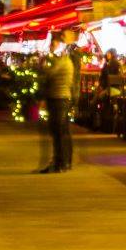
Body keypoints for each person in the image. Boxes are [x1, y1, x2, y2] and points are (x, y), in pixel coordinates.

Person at [37, 43, 77, 173]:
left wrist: (42, 65)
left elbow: (50, 74)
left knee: (58, 131)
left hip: (58, 98)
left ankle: (60, 162)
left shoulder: (63, 61)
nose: (51, 47)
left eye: (53, 44)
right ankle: (63, 162)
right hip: (61, 98)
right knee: (62, 131)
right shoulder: (65, 61)